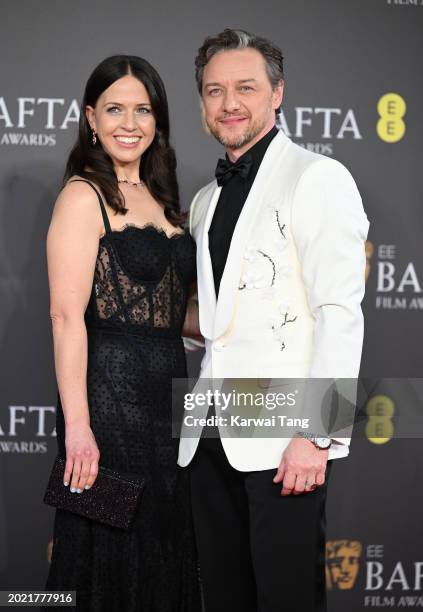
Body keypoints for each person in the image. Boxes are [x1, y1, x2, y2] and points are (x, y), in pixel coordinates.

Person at [178, 29, 370, 612]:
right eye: (214, 91)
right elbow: (217, 323)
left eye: (245, 88)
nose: (229, 103)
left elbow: (339, 311)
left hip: (288, 437)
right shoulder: (205, 200)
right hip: (209, 433)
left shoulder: (318, 177)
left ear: (277, 93)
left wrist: (316, 434)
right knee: (226, 597)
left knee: (286, 598)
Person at [45, 55, 201, 611]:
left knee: (161, 553)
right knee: (105, 557)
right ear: (91, 118)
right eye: (114, 109)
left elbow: (171, 316)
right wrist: (79, 431)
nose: (129, 123)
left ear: (158, 120)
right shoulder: (82, 196)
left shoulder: (169, 203)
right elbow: (66, 317)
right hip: (107, 413)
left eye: (143, 109)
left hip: (168, 412)